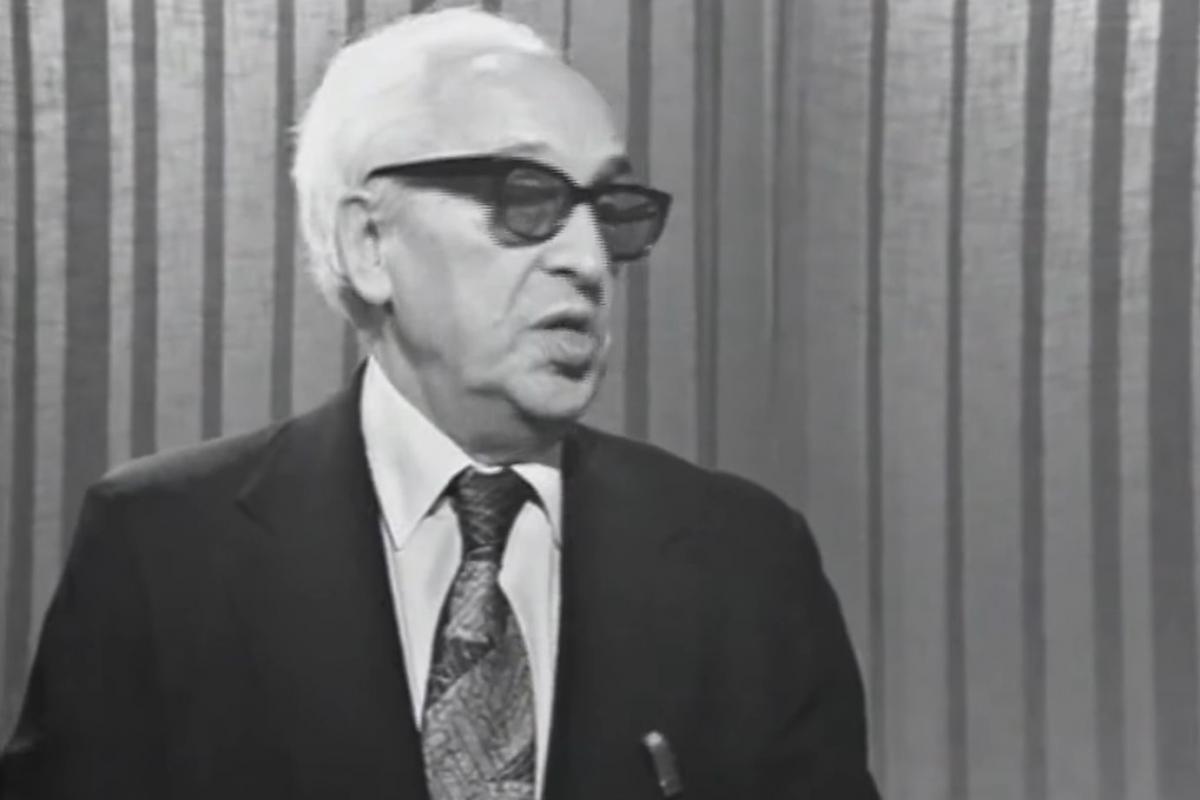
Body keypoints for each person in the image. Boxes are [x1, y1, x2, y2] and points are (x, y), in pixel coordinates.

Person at [0, 7, 880, 799]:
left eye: (608, 208)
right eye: (526, 198)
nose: (588, 261)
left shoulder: (747, 563)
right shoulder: (160, 548)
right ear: (369, 242)